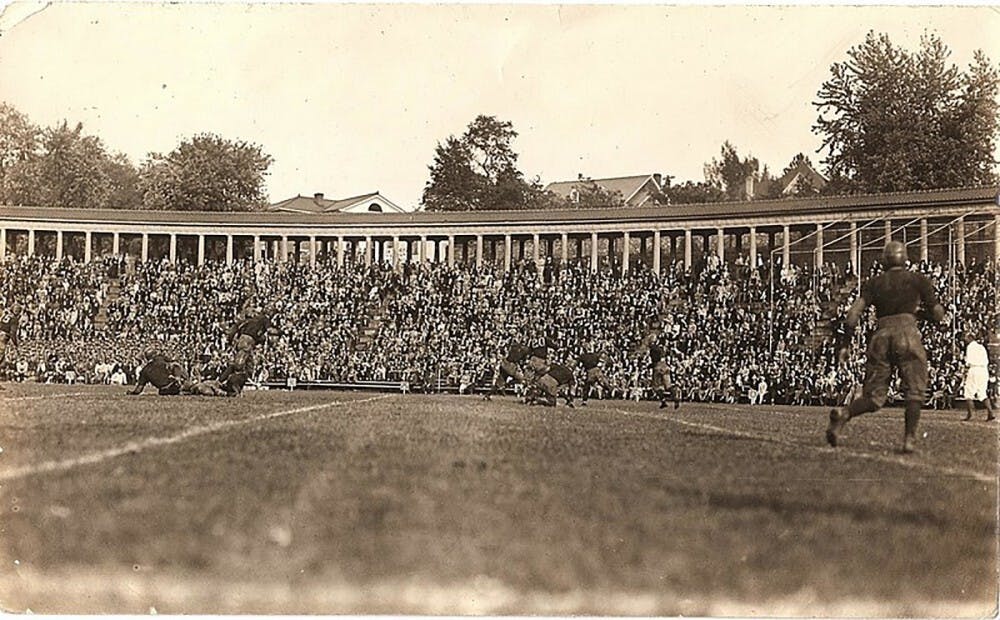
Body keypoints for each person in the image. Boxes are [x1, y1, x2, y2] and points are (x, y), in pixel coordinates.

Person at [827, 241, 945, 454]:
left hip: (881, 335)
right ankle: (909, 439)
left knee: (873, 397)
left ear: (884, 261)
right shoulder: (918, 280)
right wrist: (920, 315)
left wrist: (845, 345)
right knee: (914, 390)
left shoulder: (874, 283)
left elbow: (853, 314)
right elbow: (938, 315)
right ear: (905, 258)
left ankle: (844, 413)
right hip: (907, 332)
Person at [961, 332, 995, 422]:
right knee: (982, 392)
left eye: (966, 338)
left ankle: (970, 414)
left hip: (974, 369)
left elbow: (968, 362)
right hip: (984, 370)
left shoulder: (970, 347)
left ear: (970, 338)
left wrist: (964, 370)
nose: (965, 340)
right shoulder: (981, 347)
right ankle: (990, 413)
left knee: (968, 392)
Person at [0, 302, 23, 390]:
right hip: (2, 339)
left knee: (2, 361)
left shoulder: (5, 315)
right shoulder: (14, 320)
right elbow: (12, 333)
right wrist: (16, 344)